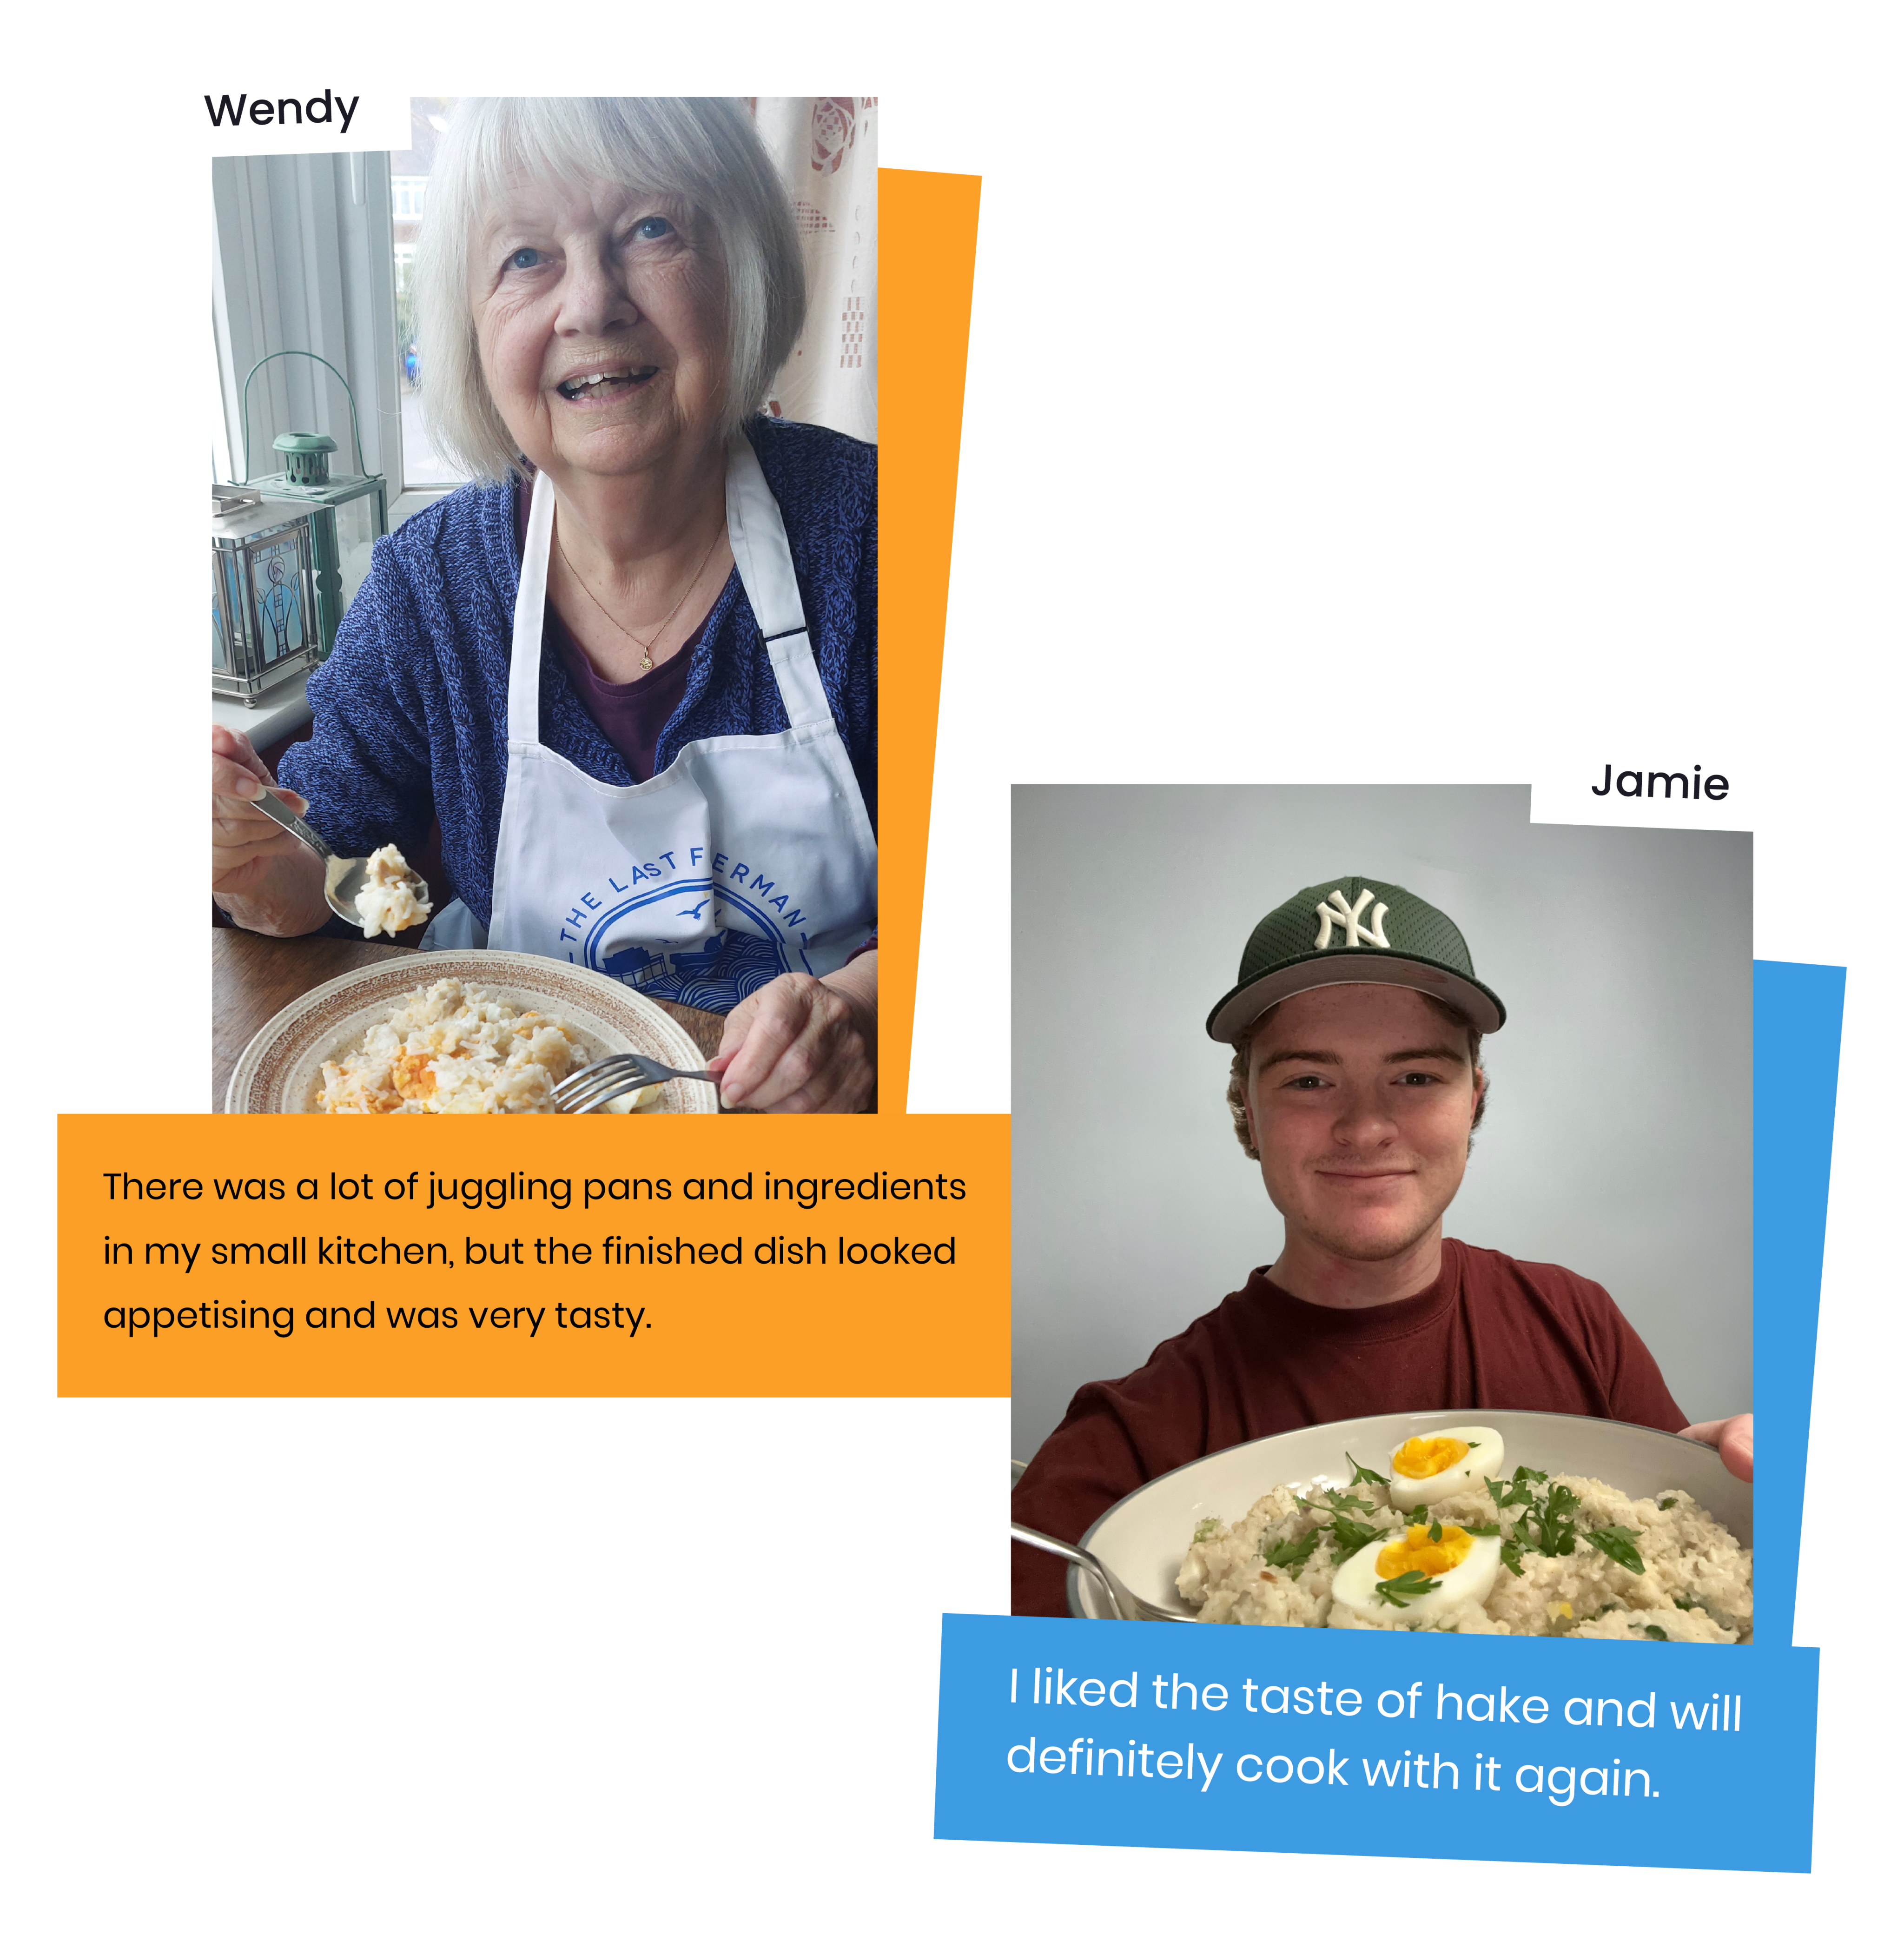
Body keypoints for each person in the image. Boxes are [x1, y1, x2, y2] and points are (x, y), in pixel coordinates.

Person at [212, 97, 876, 1113]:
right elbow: (327, 878)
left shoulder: (877, 537)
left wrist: (860, 1003)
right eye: (525, 256)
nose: (590, 305)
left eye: (650, 229)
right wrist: (245, 848)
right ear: (471, 328)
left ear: (739, 268)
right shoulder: (430, 583)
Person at [1010, 875, 1752, 1617]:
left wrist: (1719, 1488)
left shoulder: (1579, 1326)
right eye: (1309, 1079)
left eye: (1417, 1075)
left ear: (1475, 1099)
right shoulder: (1137, 1441)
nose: (1365, 1126)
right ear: (1246, 1108)